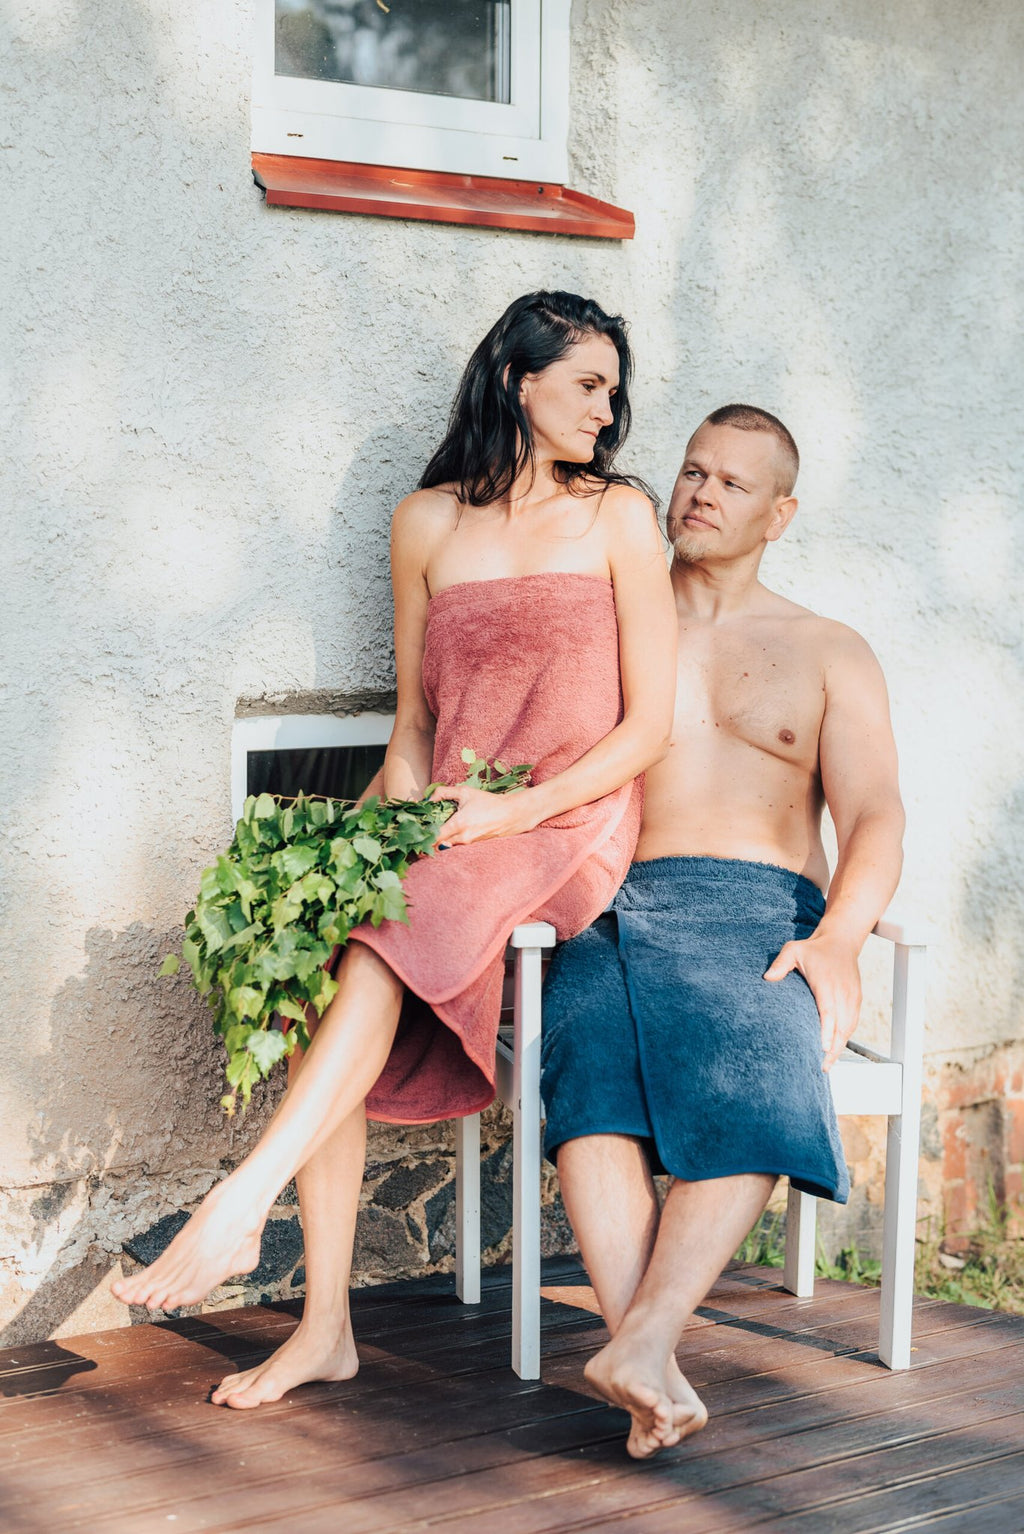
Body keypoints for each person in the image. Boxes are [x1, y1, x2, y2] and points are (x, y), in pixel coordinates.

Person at [111, 291, 677, 1410]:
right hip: (453, 824)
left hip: (569, 821)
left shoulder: (618, 517)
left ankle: (243, 1200)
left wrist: (517, 813)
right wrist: (363, 840)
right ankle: (325, 1326)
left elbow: (646, 729)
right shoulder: (424, 522)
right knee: (331, 950)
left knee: (384, 935)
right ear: (519, 379)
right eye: (588, 385)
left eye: (615, 391)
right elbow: (416, 730)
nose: (609, 413)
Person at [541, 404, 905, 1459]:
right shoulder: (615, 619)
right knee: (587, 1068)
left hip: (762, 911)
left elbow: (876, 811)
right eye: (691, 470)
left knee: (759, 1066)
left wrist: (837, 939)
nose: (698, 492)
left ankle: (643, 1340)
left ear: (779, 513)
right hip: (618, 901)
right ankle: (641, 1357)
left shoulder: (828, 648)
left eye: (731, 483)